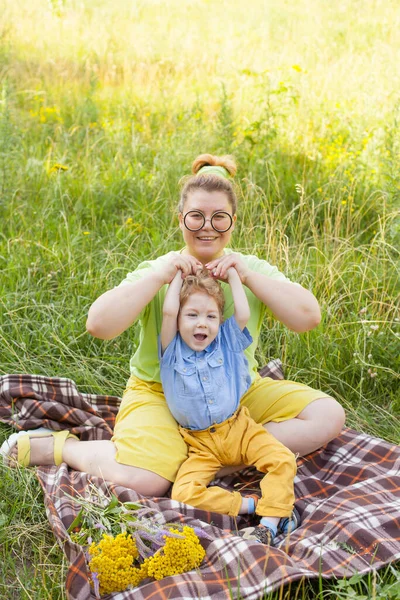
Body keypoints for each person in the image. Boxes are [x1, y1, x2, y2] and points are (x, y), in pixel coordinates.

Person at [2, 153, 345, 503]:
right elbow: (98, 325)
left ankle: (204, 461)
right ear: (181, 220)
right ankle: (61, 448)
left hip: (235, 392)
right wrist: (157, 278)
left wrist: (248, 277)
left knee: (327, 416)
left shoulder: (247, 268)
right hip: (160, 391)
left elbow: (308, 318)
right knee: (143, 481)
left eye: (219, 218)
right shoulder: (162, 268)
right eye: (196, 217)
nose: (207, 226)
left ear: (233, 223)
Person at [160, 266, 298, 544]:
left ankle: (268, 526)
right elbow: (167, 310)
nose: (202, 323)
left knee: (283, 459)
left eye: (211, 316)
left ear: (219, 321)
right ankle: (253, 506)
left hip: (239, 429)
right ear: (177, 320)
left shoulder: (223, 340)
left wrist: (234, 276)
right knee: (182, 492)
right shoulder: (172, 350)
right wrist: (176, 274)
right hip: (200, 444)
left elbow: (243, 314)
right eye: (192, 315)